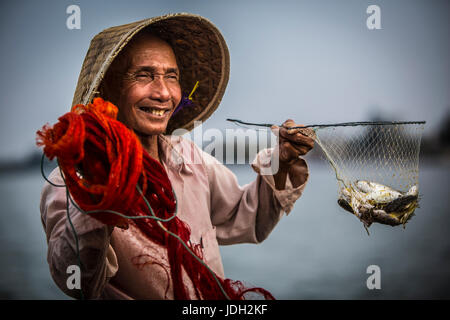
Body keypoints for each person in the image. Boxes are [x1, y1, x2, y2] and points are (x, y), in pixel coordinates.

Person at [39, 13, 314, 299]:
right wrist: (101, 197)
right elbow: (76, 281)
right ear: (108, 89)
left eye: (171, 77)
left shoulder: (190, 158)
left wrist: (282, 159)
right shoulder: (74, 182)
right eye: (144, 75)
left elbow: (248, 216)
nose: (163, 93)